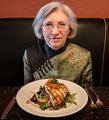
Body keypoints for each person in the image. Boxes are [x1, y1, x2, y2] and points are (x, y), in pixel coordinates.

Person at [23, 1, 93, 87]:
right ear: (41, 28)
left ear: (70, 28)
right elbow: (27, 90)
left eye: (62, 24)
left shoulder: (84, 56)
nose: (55, 32)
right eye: (48, 24)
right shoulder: (29, 54)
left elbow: (87, 92)